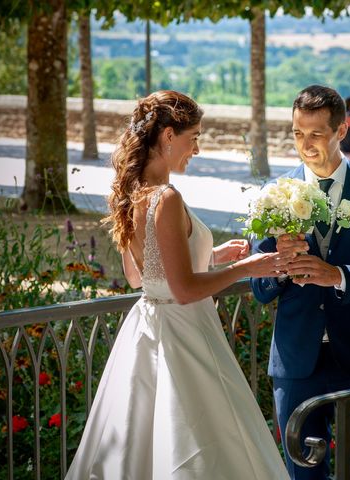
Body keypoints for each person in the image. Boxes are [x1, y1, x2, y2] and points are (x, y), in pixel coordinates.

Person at [65, 90, 290, 479]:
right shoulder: (166, 197)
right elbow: (184, 290)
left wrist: (211, 255)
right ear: (169, 135)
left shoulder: (132, 192)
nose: (197, 149)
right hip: (183, 336)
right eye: (194, 137)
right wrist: (250, 267)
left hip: (147, 330)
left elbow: (142, 276)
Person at [251, 85, 350, 479]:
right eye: (297, 133)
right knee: (302, 473)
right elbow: (260, 290)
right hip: (296, 361)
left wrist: (338, 276)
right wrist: (280, 264)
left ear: (341, 131)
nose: (305, 144)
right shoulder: (273, 194)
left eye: (316, 134)